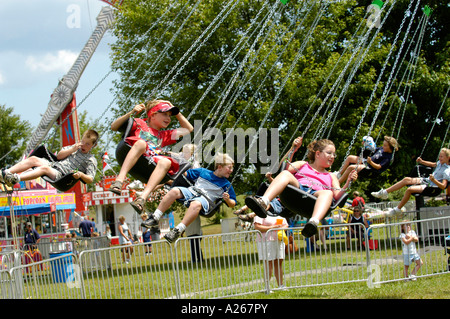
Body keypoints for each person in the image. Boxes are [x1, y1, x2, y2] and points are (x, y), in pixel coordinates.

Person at [245, 137, 357, 238]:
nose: (332, 157)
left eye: (334, 154)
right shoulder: (303, 164)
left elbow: (337, 196)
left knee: (328, 193)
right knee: (285, 174)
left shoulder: (331, 176)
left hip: (314, 199)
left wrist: (348, 182)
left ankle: (313, 222)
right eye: (329, 153)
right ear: (317, 154)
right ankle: (264, 201)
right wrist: (293, 149)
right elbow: (284, 167)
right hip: (296, 190)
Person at [110, 100, 194, 214]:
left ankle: (142, 198)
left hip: (149, 165)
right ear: (153, 114)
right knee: (141, 143)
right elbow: (114, 127)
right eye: (164, 114)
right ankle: (119, 180)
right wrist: (132, 112)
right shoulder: (139, 123)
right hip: (131, 153)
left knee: (166, 162)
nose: (168, 118)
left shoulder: (164, 135)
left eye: (170, 116)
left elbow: (188, 129)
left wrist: (176, 111)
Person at [142, 153, 237, 243]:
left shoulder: (226, 184)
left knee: (196, 203)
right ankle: (155, 217)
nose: (231, 170)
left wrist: (228, 199)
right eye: (229, 167)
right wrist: (174, 167)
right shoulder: (203, 172)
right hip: (193, 191)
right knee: (174, 190)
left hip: (206, 200)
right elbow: (185, 174)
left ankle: (177, 230)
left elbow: (233, 203)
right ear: (220, 167)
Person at [0, 129, 99, 187]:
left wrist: (81, 174)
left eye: (87, 144)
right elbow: (59, 156)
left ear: (93, 146)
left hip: (62, 176)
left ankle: (16, 178)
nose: (84, 145)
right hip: (55, 165)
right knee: (33, 159)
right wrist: (72, 149)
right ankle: (6, 173)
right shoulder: (75, 147)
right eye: (83, 142)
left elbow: (90, 179)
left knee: (44, 169)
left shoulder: (90, 160)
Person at [371, 148, 450, 216]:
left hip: (431, 186)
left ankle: (397, 209)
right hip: (427, 180)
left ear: (448, 158)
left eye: (441, 156)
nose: (439, 158)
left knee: (409, 190)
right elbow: (433, 164)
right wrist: (422, 161)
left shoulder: (446, 171)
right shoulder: (440, 163)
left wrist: (434, 180)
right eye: (439, 156)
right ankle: (385, 192)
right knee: (406, 179)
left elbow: (443, 186)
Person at [254, 215, 289, 289]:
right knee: (268, 263)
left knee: (279, 263)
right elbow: (257, 227)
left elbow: (285, 224)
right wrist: (271, 228)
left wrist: (281, 228)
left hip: (278, 240)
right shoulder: (261, 213)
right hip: (266, 241)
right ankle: (267, 287)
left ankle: (281, 285)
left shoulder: (278, 212)